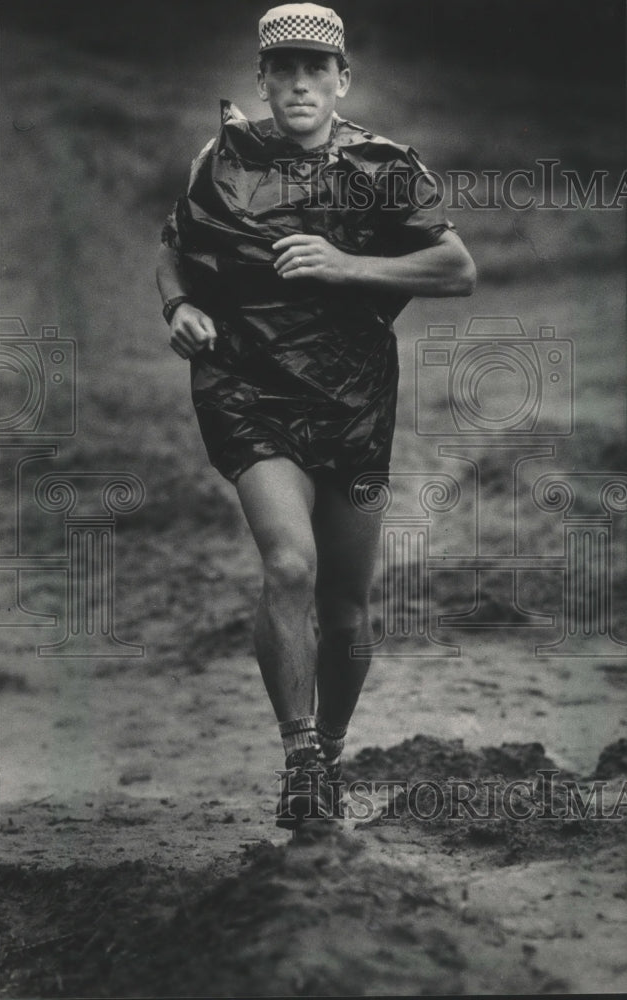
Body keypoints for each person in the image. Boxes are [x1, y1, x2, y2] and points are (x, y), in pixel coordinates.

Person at [156, 2, 476, 829]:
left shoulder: (384, 165)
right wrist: (179, 304)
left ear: (342, 80)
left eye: (315, 70)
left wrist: (342, 264)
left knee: (345, 605)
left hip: (353, 402)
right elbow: (171, 246)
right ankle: (299, 753)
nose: (299, 83)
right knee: (288, 566)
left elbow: (455, 269)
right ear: (261, 79)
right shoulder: (221, 160)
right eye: (282, 70)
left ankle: (328, 753)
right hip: (246, 390)